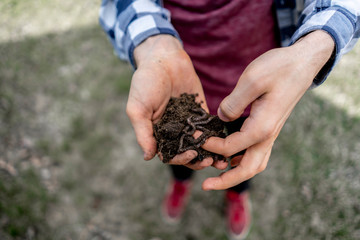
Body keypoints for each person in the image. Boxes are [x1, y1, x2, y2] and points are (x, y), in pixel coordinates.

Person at [99, 0, 360, 239]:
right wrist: (152, 43)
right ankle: (180, 182)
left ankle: (237, 193)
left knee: (239, 153)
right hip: (178, 76)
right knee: (180, 149)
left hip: (255, 77)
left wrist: (316, 45)